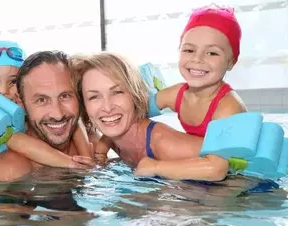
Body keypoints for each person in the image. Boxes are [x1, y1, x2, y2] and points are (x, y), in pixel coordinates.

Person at [93, 5, 247, 163]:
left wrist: (155, 167)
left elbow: (217, 166)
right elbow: (132, 113)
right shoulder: (177, 94)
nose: (197, 59)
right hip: (203, 159)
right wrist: (105, 142)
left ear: (231, 62)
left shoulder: (227, 108)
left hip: (238, 172)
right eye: (189, 50)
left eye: (212, 53)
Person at [71, 51, 231, 181]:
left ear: (135, 95)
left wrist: (156, 167)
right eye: (94, 97)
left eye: (117, 92)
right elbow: (106, 139)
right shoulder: (115, 136)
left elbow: (228, 163)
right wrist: (100, 156)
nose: (107, 107)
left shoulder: (163, 143)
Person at [0, 41, 96, 181]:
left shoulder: (25, 110)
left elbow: (76, 122)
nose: (3, 91)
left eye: (13, 81)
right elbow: (24, 145)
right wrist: (70, 163)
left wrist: (87, 157)